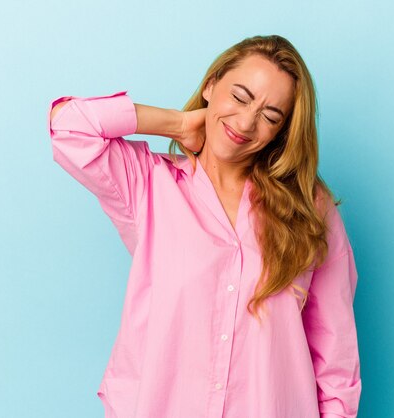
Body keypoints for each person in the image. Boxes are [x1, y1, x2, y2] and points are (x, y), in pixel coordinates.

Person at [47, 34, 361, 418]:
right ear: (211, 85)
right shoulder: (147, 184)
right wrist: (177, 123)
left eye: (271, 116)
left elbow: (335, 359)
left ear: (282, 131)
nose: (246, 122)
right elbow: (68, 125)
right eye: (240, 97)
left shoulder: (310, 208)